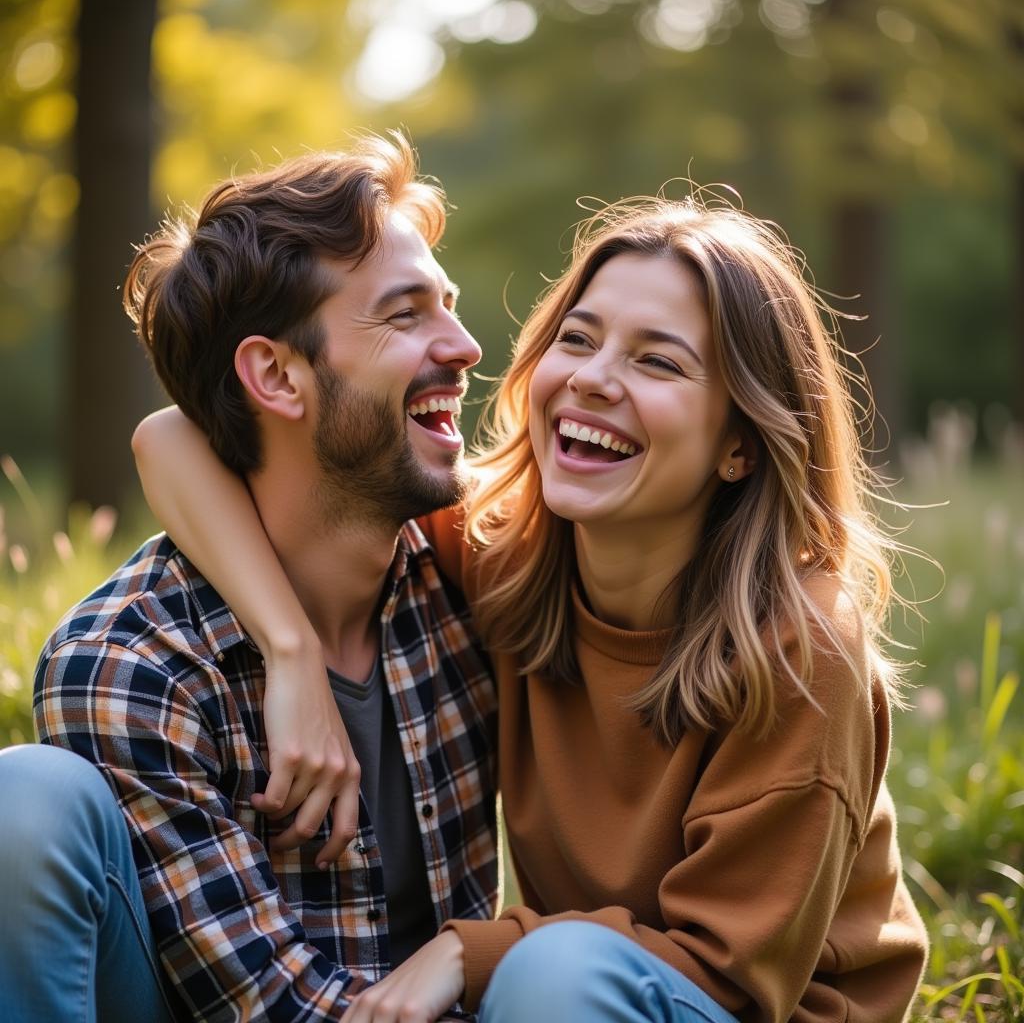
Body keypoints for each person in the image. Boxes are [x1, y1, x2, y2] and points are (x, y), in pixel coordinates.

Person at [133, 194, 930, 1022]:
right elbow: (167, 437)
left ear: (740, 443)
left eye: (657, 362)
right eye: (577, 339)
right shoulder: (510, 554)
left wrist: (473, 950)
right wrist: (290, 651)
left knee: (556, 976)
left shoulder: (800, 646)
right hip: (563, 993)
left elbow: (732, 974)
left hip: (745, 1005)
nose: (592, 378)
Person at [2, 134, 499, 1023]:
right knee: (24, 802)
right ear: (275, 374)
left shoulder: (472, 570)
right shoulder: (134, 666)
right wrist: (286, 646)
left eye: (449, 306)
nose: (464, 347)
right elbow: (271, 1008)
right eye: (405, 314)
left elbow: (165, 432)